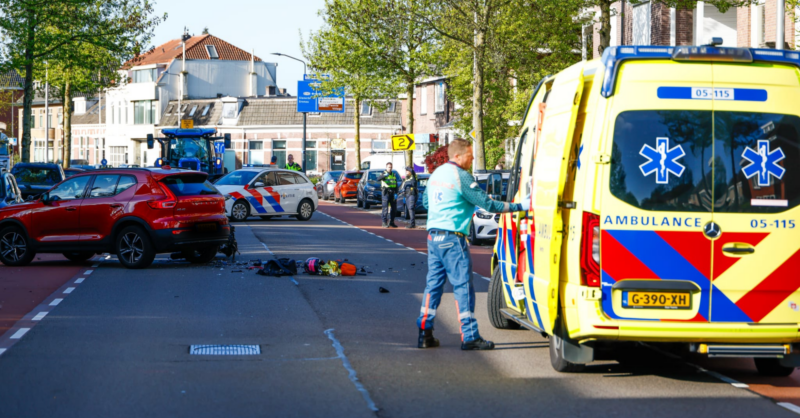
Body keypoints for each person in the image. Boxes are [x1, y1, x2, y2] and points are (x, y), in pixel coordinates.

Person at [417, 138, 529, 350]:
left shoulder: (436, 175)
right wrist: (520, 205)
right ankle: (469, 337)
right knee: (463, 288)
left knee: (432, 286)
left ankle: (425, 332)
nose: (473, 159)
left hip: (433, 238)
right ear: (458, 156)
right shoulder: (461, 176)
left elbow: (425, 203)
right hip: (452, 238)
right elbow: (487, 204)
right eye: (470, 155)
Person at [375, 162, 398, 228]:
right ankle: (384, 222)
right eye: (388, 167)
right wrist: (384, 176)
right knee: (385, 208)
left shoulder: (393, 174)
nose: (390, 168)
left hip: (393, 193)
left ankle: (392, 222)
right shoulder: (384, 173)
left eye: (391, 167)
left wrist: (396, 192)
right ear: (386, 167)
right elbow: (378, 179)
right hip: (386, 193)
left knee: (394, 209)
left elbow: (395, 184)